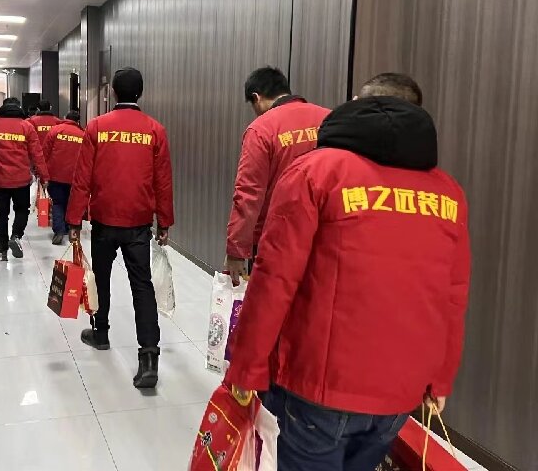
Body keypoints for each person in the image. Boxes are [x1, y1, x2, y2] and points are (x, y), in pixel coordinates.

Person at [225, 74, 471, 471]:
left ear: (356, 103)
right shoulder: (448, 193)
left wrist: (247, 365)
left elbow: (275, 280)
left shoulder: (315, 173)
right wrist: (440, 380)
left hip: (318, 389)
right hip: (400, 395)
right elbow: (453, 295)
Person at [66, 67, 174, 389]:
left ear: (113, 92)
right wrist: (164, 221)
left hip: (104, 219)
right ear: (140, 93)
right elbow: (163, 181)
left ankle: (100, 333)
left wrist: (74, 220)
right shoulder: (155, 130)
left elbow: (82, 177)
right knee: (142, 286)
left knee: (100, 278)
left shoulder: (97, 127)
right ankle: (149, 358)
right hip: (138, 223)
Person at [225, 66, 330, 284]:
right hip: (323, 234)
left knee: (272, 299)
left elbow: (248, 194)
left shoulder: (261, 129)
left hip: (275, 239)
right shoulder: (329, 118)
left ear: (256, 97)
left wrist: (236, 249)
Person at [0, 97, 49, 261]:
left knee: (1, 214)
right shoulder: (27, 126)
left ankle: (2, 251)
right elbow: (37, 155)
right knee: (22, 210)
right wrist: (44, 177)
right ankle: (16, 235)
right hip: (21, 180)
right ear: (18, 108)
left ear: (3, 108)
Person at [43, 110, 85, 246]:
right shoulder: (83, 134)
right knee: (71, 203)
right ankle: (69, 229)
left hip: (55, 175)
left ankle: (59, 230)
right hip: (75, 176)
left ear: (65, 118)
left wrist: (42, 173)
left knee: (58, 203)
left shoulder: (56, 130)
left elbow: (45, 152)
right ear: (77, 121)